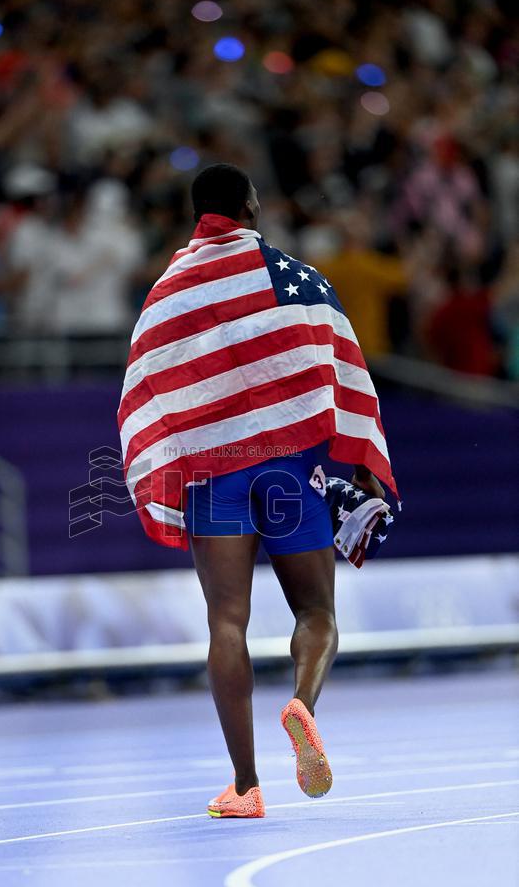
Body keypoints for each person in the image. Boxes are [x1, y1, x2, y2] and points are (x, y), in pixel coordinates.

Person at [118, 164, 396, 819]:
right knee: (317, 613)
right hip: (289, 473)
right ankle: (303, 702)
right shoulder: (291, 276)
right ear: (250, 205)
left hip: (217, 475)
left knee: (226, 622)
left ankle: (244, 786)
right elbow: (341, 362)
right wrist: (359, 466)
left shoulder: (168, 292)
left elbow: (147, 387)